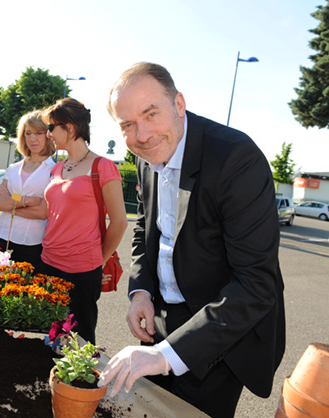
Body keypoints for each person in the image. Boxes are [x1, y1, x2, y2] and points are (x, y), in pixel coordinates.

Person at [98, 62, 286, 418]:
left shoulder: (236, 159)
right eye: (127, 125)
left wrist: (166, 355)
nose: (142, 134)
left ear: (179, 104)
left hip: (218, 330)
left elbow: (257, 283)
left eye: (151, 114)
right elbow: (146, 230)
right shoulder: (145, 156)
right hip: (163, 317)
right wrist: (142, 291)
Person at [38, 97, 127, 344]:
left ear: (70, 127)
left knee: (79, 340)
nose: (48, 134)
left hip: (81, 271)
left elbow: (119, 222)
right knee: (47, 333)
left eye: (51, 127)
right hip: (48, 262)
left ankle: (78, 384)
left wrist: (99, 261)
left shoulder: (103, 166)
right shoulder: (58, 168)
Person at [0, 110, 55, 267]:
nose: (32, 138)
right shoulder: (13, 168)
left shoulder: (54, 170)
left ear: (49, 135)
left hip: (30, 243)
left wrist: (9, 204)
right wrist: (26, 200)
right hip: (0, 236)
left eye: (39, 133)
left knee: (22, 290)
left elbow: (41, 212)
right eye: (28, 133)